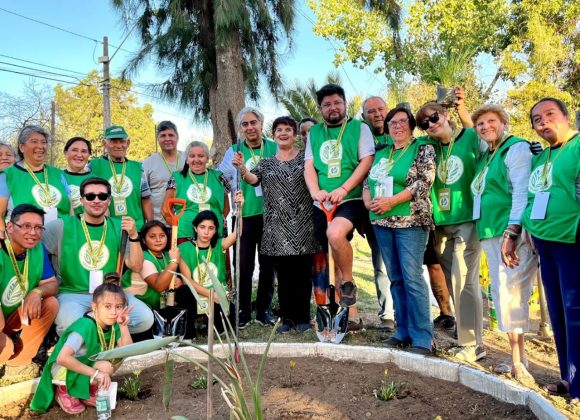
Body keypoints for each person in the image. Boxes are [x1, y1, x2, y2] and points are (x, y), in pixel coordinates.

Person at [233, 116, 319, 333]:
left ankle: (303, 317)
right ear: (273, 135)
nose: (283, 133)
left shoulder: (306, 159)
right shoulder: (268, 161)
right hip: (276, 227)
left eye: (288, 129)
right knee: (284, 275)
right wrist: (243, 168)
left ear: (294, 134)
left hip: (303, 224)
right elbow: (254, 179)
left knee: (303, 274)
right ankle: (288, 318)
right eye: (279, 130)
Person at [416, 97, 486, 361]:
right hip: (440, 222)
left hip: (467, 219)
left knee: (463, 280)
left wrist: (462, 106)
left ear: (445, 114)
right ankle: (467, 337)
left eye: (434, 117)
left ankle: (473, 343)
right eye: (424, 123)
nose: (431, 124)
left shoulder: (469, 137)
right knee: (453, 279)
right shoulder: (429, 146)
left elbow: (478, 131)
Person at [471, 104, 538, 381]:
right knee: (502, 293)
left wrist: (512, 233)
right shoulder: (488, 154)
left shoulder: (516, 149)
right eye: (480, 124)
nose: (486, 127)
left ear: (504, 123)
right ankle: (517, 358)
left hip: (509, 234)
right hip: (490, 231)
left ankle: (518, 362)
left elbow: (522, 192)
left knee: (513, 293)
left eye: (491, 121)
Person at [363, 106, 436, 354]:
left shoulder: (423, 149)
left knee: (412, 276)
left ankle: (423, 337)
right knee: (395, 277)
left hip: (411, 221)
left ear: (411, 124)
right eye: (392, 122)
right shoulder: (382, 153)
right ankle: (402, 330)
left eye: (402, 121)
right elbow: (367, 181)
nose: (397, 126)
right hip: (382, 222)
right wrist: (367, 201)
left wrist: (391, 201)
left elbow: (423, 183)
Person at [522, 98, 580, 404]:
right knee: (557, 312)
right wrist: (531, 229)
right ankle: (568, 377)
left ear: (566, 117)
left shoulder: (577, 147)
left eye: (549, 115)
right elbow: (534, 197)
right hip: (545, 242)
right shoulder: (542, 157)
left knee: (576, 312)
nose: (543, 122)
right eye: (536, 119)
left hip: (572, 241)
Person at [42, 177, 153, 336]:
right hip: (73, 294)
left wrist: (134, 235)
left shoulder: (120, 227)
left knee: (144, 319)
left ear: (109, 200)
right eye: (90, 196)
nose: (96, 200)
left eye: (102, 196)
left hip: (111, 294)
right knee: (68, 323)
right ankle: (96, 336)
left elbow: (136, 266)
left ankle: (94, 330)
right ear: (82, 200)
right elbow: (33, 249)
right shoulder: (60, 226)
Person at [304, 84, 374, 310]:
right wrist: (315, 192)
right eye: (327, 105)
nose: (332, 108)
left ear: (345, 104)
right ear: (320, 108)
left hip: (349, 199)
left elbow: (366, 161)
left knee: (335, 234)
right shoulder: (314, 132)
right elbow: (309, 166)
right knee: (329, 251)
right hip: (321, 202)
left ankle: (349, 282)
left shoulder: (360, 128)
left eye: (337, 103)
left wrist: (343, 189)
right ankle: (346, 313)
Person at [30, 283, 132, 414]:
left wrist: (124, 327)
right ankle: (64, 390)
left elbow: (127, 350)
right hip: (64, 368)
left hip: (86, 362)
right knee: (105, 367)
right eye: (107, 306)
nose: (113, 312)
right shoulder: (85, 326)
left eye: (118, 307)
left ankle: (88, 388)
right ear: (94, 307)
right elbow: (62, 358)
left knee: (116, 358)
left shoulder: (114, 323)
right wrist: (96, 373)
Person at [218, 107, 277, 328]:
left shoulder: (273, 147)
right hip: (244, 214)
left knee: (267, 264)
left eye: (254, 122)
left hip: (271, 215)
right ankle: (242, 310)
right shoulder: (233, 150)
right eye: (245, 124)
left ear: (261, 124)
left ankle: (263, 309)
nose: (250, 127)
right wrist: (232, 188)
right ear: (241, 128)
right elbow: (221, 178)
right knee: (242, 264)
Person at [0, 204, 59, 377]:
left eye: (38, 227)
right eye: (26, 226)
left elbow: (52, 284)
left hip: (13, 313)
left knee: (51, 303)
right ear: (10, 227)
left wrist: (37, 292)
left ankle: (19, 365)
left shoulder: (37, 249)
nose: (33, 232)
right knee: (5, 348)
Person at [361, 95, 396, 330]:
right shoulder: (362, 140)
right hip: (374, 210)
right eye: (371, 111)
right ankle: (388, 314)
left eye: (380, 109)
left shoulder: (400, 132)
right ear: (364, 117)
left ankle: (410, 313)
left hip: (402, 207)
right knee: (381, 263)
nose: (377, 114)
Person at [177, 205, 242, 335]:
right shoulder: (184, 248)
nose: (206, 232)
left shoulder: (219, 245)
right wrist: (211, 295)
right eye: (202, 227)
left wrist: (240, 208)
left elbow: (237, 233)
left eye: (211, 228)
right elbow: (187, 280)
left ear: (215, 230)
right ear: (195, 228)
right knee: (183, 291)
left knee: (231, 318)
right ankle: (189, 333)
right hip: (197, 295)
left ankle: (213, 326)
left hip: (217, 295)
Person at [0, 126, 72, 235]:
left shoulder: (58, 174)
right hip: (25, 240)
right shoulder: (8, 175)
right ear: (22, 147)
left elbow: (70, 209)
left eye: (43, 142)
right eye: (34, 141)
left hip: (62, 238)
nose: (40, 146)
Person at [162, 141, 230, 242]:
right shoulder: (177, 178)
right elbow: (166, 210)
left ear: (207, 158)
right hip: (185, 234)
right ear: (187, 159)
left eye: (201, 156)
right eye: (192, 156)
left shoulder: (219, 177)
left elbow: (226, 208)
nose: (196, 160)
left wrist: (212, 223)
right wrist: (179, 225)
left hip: (214, 234)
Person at [89, 125, 153, 231]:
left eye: (122, 141)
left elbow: (145, 200)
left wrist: (151, 227)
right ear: (104, 144)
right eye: (114, 141)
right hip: (106, 229)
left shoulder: (138, 168)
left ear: (128, 143)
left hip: (135, 229)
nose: (119, 145)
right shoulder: (93, 166)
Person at [124, 220, 181, 309]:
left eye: (162, 236)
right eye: (152, 237)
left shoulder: (168, 255)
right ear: (143, 240)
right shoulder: (142, 257)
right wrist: (174, 262)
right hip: (134, 303)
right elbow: (159, 286)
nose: (158, 240)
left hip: (156, 306)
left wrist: (177, 282)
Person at [143, 121, 186, 223]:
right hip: (158, 224)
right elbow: (143, 196)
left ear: (177, 137)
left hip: (185, 223)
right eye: (163, 136)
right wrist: (150, 223)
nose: (167, 139)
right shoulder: (148, 162)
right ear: (158, 139)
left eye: (171, 135)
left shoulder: (188, 159)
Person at [62, 137, 93, 215]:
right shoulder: (56, 177)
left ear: (89, 155)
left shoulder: (96, 180)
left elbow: (105, 213)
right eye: (74, 150)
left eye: (84, 151)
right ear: (65, 152)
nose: (79, 155)